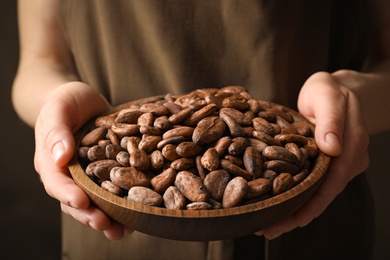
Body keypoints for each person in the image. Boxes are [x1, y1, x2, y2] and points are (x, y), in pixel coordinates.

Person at [12, 0, 390, 259]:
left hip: (309, 221)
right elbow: (41, 61)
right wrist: (55, 103)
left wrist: (346, 101)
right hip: (118, 230)